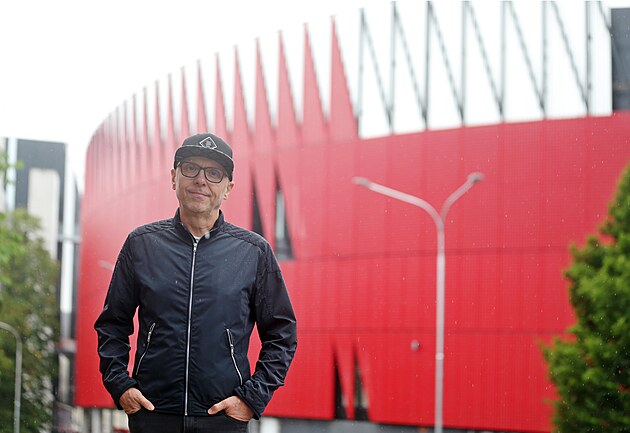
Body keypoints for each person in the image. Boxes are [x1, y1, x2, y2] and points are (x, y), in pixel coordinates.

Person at [94, 132, 298, 433]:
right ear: (173, 177)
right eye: (191, 168)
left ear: (228, 188)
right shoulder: (141, 244)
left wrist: (251, 398)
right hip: (153, 414)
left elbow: (282, 333)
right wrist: (121, 386)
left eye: (214, 173)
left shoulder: (253, 252)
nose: (201, 180)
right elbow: (112, 323)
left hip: (223, 418)